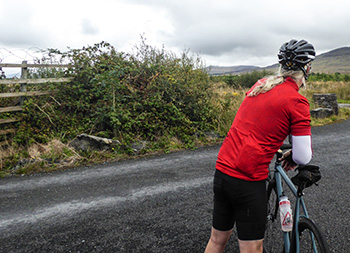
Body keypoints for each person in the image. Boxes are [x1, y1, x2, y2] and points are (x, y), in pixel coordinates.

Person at [205, 39, 316, 253]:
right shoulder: (297, 101)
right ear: (307, 68)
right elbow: (303, 156)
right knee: (252, 248)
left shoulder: (260, 85)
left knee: (217, 240)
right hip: (246, 181)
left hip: (222, 173)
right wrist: (292, 155)